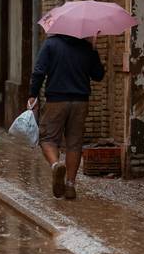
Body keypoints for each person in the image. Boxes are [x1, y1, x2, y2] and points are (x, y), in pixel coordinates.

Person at [27, 34, 105, 200]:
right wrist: (94, 49)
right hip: (80, 101)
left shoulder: (50, 44)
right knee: (74, 144)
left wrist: (33, 95)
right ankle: (70, 185)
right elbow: (98, 75)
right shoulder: (86, 47)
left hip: (56, 100)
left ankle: (56, 165)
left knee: (47, 138)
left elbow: (39, 71)